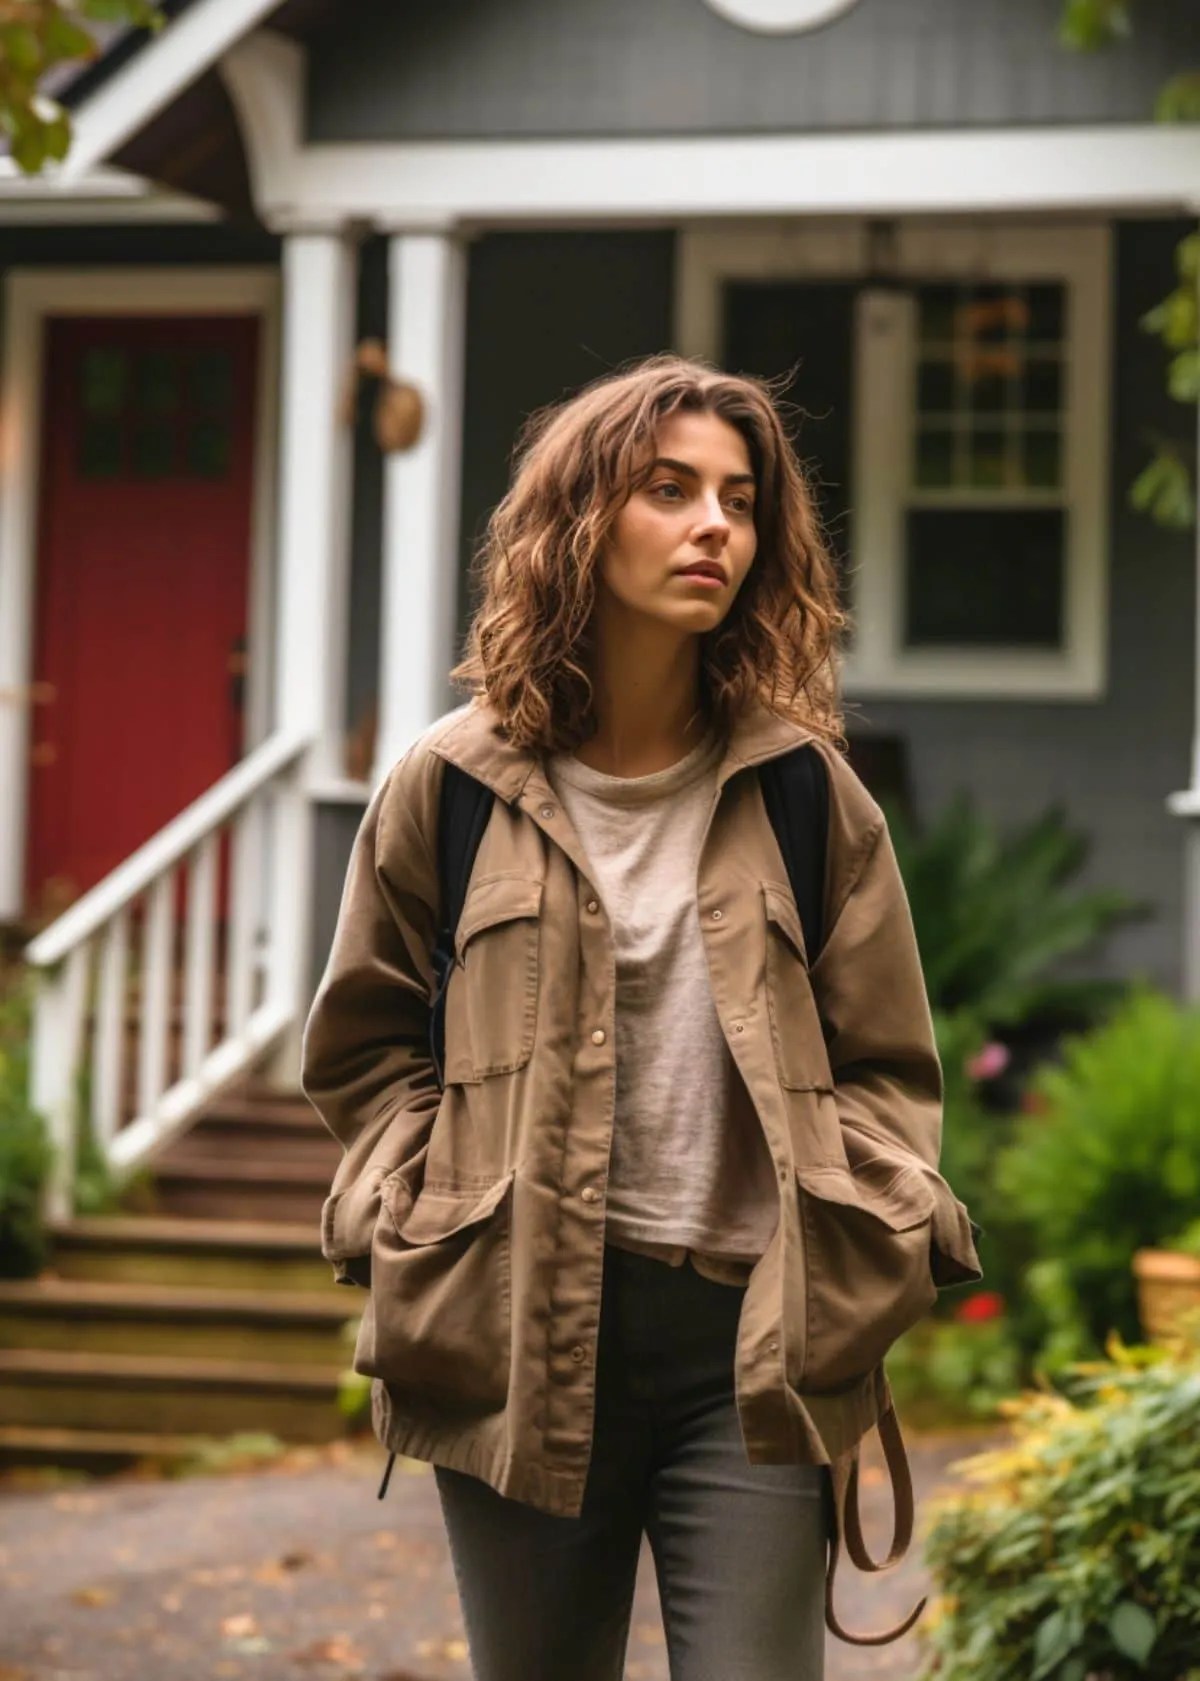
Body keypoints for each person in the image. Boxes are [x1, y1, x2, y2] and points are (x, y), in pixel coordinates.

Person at [300, 354, 982, 1681]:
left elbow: (889, 1063)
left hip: (754, 1346)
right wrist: (425, 1196)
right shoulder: (448, 785)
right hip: (510, 1332)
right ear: (582, 521)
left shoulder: (805, 794)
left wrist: (869, 1217)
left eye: (737, 498)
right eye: (670, 489)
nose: (714, 524)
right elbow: (364, 1044)